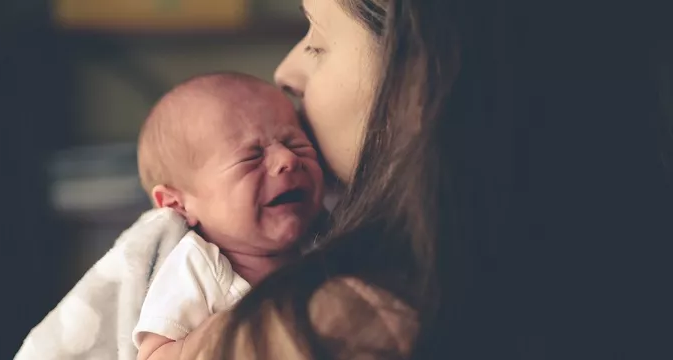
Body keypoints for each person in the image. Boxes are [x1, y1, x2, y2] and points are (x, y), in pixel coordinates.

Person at [163, 0, 672, 359]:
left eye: (317, 41)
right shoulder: (630, 264)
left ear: (419, 78)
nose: (284, 72)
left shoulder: (324, 329)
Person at [131, 72, 326, 360]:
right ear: (177, 204)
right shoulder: (196, 267)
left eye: (296, 143)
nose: (288, 159)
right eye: (251, 157)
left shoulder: (328, 237)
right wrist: (234, 328)